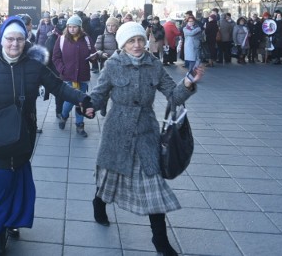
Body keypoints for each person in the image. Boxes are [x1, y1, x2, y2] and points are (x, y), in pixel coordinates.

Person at [0, 16, 95, 256]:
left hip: (23, 136)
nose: (14, 44)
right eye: (10, 39)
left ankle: (12, 222)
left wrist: (82, 99)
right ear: (2, 40)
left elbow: (59, 86)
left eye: (19, 39)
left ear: (26, 41)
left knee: (19, 182)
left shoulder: (33, 66)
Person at [87, 21, 203, 256]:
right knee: (108, 178)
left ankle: (160, 242)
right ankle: (99, 203)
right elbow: (98, 95)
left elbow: (173, 95)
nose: (137, 45)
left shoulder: (154, 65)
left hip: (146, 133)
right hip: (116, 132)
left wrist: (189, 82)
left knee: (154, 185)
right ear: (123, 45)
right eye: (131, 41)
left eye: (140, 40)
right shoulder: (112, 65)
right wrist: (88, 106)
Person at [52, 15, 97, 137]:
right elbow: (55, 57)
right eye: (70, 27)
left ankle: (79, 125)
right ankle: (64, 115)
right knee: (70, 100)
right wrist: (62, 69)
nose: (72, 29)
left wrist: (94, 58)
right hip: (67, 76)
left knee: (80, 101)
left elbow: (93, 55)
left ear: (80, 27)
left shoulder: (86, 39)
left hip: (82, 76)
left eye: (75, 27)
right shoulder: (61, 39)